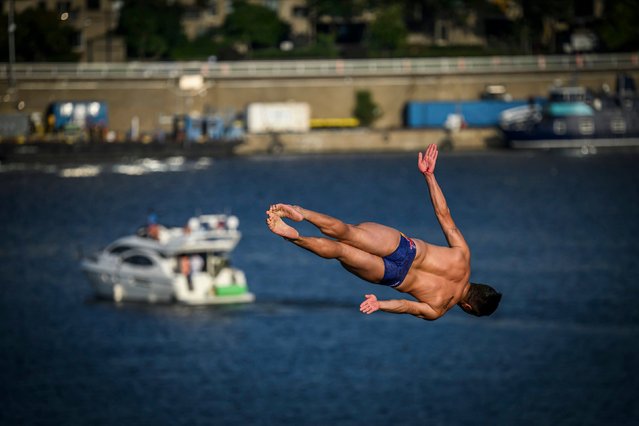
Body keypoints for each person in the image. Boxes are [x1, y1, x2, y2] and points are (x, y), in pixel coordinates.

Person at [265, 144, 501, 321]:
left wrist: (429, 176)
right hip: (393, 274)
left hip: (405, 248)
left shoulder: (463, 257)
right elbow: (405, 306)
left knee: (347, 232)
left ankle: (301, 212)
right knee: (340, 250)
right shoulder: (438, 309)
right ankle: (294, 237)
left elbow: (444, 215)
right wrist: (380, 304)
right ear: (469, 308)